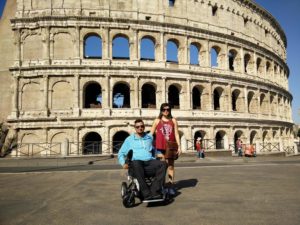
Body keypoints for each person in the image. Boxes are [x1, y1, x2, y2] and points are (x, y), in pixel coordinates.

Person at [118, 119, 167, 200]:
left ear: (144, 127)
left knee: (164, 164)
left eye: (142, 126)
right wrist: (123, 163)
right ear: (135, 128)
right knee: (136, 162)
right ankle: (146, 193)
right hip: (137, 165)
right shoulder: (129, 139)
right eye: (137, 127)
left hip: (149, 162)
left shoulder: (149, 138)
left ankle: (154, 190)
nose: (140, 128)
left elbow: (153, 149)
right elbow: (121, 153)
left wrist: (159, 154)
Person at [150, 103, 181, 195]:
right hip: (160, 147)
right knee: (162, 167)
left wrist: (179, 146)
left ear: (170, 110)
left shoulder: (173, 120)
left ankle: (170, 186)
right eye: (164, 109)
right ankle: (162, 186)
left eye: (167, 109)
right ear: (161, 110)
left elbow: (176, 134)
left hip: (171, 147)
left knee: (171, 166)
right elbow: (151, 134)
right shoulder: (157, 120)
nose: (166, 111)